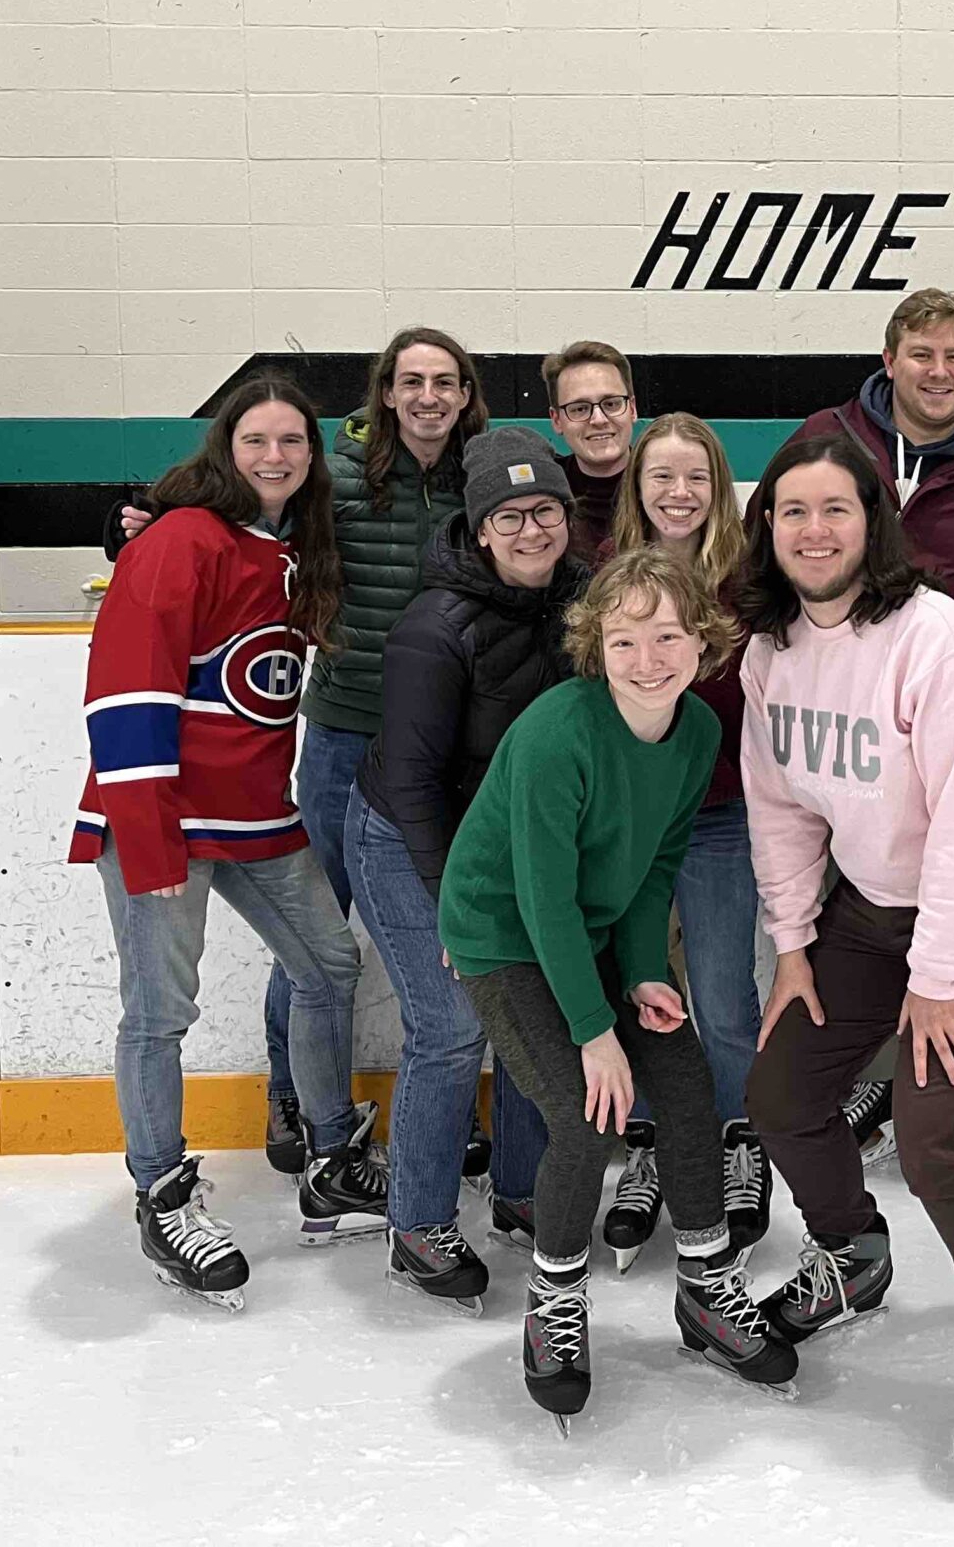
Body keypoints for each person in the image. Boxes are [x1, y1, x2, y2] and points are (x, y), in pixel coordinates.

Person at [737, 433, 954, 1491]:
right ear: (769, 528)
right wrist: (793, 944)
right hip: (873, 906)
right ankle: (853, 1256)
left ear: (871, 522)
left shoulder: (937, 639)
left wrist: (936, 979)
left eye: (836, 509)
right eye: (793, 511)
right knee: (782, 1093)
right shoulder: (769, 650)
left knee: (935, 1132)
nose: (815, 530)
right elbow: (780, 807)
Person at [107, 327, 489, 1177]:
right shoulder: (332, 477)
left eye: (446, 382)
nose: (428, 396)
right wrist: (154, 520)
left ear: (466, 394)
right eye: (410, 381)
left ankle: (399, 1111)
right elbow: (205, 542)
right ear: (384, 393)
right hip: (341, 736)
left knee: (362, 945)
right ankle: (287, 1098)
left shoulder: (479, 474)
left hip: (431, 750)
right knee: (268, 962)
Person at [440, 547, 794, 1429]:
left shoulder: (699, 734)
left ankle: (708, 1287)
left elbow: (652, 867)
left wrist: (641, 973)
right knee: (583, 1110)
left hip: (592, 935)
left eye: (668, 636)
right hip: (506, 937)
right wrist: (595, 1031)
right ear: (596, 642)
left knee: (683, 1080)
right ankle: (555, 1302)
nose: (650, 659)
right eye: (627, 638)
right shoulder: (561, 732)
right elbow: (540, 897)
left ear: (701, 642)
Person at [71, 376, 383, 1310]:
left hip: (255, 815)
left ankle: (329, 1156)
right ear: (225, 447)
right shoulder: (178, 541)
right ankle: (161, 1194)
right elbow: (125, 692)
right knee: (159, 1012)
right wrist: (152, 845)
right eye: (257, 440)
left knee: (330, 966)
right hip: (161, 820)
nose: (276, 456)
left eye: (294, 441)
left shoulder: (292, 548)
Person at [794, 288, 954, 1159]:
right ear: (889, 358)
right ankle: (869, 1085)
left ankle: (933, 1101)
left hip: (946, 743)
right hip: (850, 748)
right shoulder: (827, 439)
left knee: (948, 921)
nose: (938, 372)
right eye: (922, 354)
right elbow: (777, 554)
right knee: (862, 931)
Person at [345, 426, 576, 1312]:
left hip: (508, 840)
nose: (531, 530)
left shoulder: (581, 601)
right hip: (413, 842)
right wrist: (452, 909)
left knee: (530, 1011)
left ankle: (521, 1189)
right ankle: (416, 1224)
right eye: (510, 515)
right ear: (479, 529)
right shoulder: (434, 628)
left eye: (546, 510)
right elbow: (409, 780)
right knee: (450, 1025)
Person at [593, 413, 774, 1263]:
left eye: (695, 477)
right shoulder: (610, 576)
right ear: (636, 485)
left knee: (723, 996)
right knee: (643, 989)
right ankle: (649, 1146)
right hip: (631, 823)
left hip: (721, 816)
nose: (678, 493)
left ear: (718, 485)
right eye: (660, 476)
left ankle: (741, 1142)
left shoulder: (749, 576)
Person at [543, 338, 640, 557]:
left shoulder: (666, 490)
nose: (598, 419)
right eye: (579, 408)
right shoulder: (541, 494)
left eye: (612, 404)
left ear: (632, 409)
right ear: (557, 420)